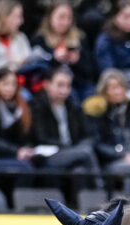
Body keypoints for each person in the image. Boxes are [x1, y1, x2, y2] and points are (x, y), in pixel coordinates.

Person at [30, 65, 101, 197]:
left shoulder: (74, 107)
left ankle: (82, 210)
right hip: (49, 155)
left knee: (79, 170)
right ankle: (101, 192)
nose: (64, 90)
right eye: (60, 85)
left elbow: (88, 135)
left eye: (68, 86)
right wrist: (72, 148)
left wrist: (78, 147)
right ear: (47, 85)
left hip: (74, 153)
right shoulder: (37, 106)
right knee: (85, 152)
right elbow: (41, 137)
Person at [32, 0, 97, 99]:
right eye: (61, 17)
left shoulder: (80, 38)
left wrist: (77, 61)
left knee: (92, 94)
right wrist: (54, 58)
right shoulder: (39, 40)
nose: (65, 22)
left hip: (78, 83)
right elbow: (37, 72)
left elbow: (90, 72)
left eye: (69, 18)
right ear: (50, 17)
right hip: (54, 87)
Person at [0, 0, 33, 79]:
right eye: (17, 17)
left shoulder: (21, 37)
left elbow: (30, 61)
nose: (21, 21)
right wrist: (8, 63)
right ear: (3, 17)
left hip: (22, 84)